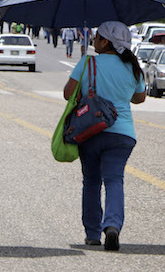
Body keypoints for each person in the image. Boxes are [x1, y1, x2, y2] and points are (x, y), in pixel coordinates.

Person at [62, 21, 145, 251]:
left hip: (90, 131)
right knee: (114, 180)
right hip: (123, 134)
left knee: (91, 181)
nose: (94, 41)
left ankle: (92, 233)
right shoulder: (132, 66)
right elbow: (139, 98)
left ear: (105, 41)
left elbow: (68, 93)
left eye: (97, 37)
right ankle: (113, 226)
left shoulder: (88, 63)